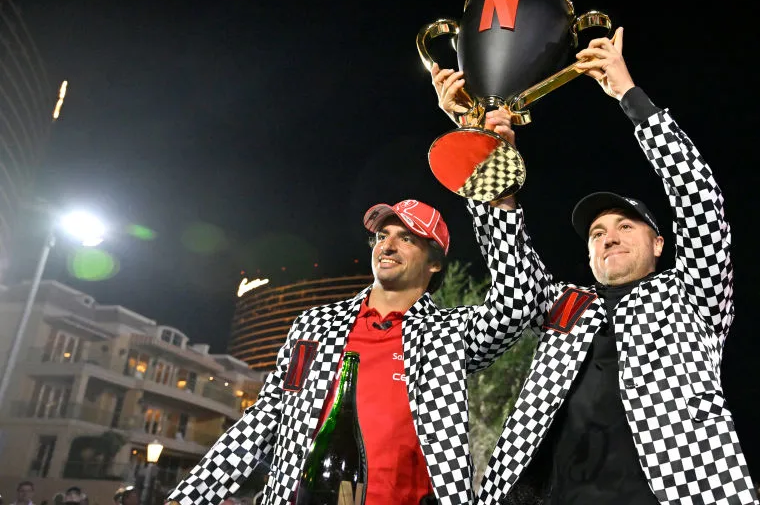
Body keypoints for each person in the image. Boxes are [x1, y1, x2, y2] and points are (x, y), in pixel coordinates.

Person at [432, 27, 758, 504]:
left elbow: (700, 198)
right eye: (597, 233)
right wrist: (487, 154)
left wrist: (630, 96)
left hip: (680, 491)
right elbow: (514, 273)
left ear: (660, 243)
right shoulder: (567, 304)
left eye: (626, 225)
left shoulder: (693, 295)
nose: (609, 236)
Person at [166, 196, 534, 505]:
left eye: (406, 238)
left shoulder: (451, 332)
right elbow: (266, 417)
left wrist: (497, 200)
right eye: (382, 236)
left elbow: (518, 305)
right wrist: (190, 497)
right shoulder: (315, 326)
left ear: (435, 262)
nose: (387, 245)